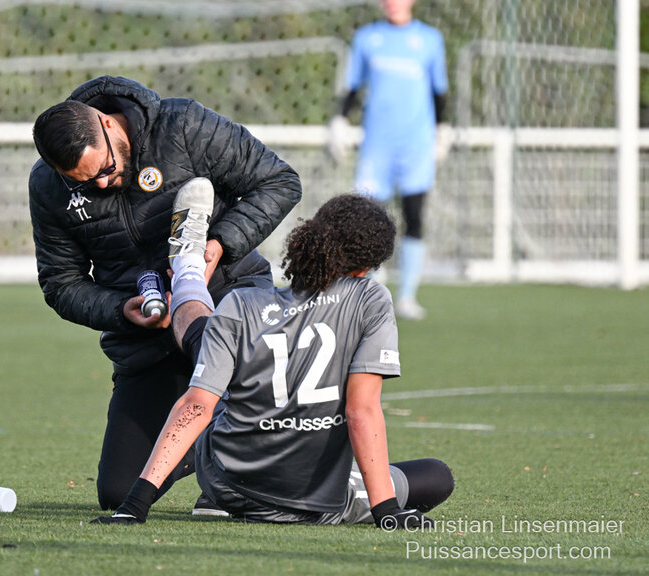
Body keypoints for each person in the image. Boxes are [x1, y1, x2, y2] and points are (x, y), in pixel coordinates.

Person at [93, 188, 454, 528]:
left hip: (227, 482)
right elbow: (361, 410)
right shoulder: (370, 299)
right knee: (436, 476)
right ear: (364, 269)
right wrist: (386, 509)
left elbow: (197, 405)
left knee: (208, 346)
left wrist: (135, 505)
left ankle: (187, 266)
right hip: (311, 498)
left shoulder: (242, 303)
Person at [28, 75, 302, 511]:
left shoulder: (183, 125)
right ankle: (221, 463)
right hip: (147, 341)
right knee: (117, 493)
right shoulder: (47, 186)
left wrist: (221, 244)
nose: (101, 185)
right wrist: (122, 310)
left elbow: (279, 181)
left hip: (228, 308)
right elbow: (61, 283)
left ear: (107, 123)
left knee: (254, 419)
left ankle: (237, 461)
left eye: (104, 170)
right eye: (83, 182)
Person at [328, 0, 450, 320]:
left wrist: (442, 129)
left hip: (416, 143)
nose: (393, 0)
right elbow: (353, 86)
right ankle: (372, 293)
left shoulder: (429, 39)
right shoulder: (367, 38)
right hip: (377, 144)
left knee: (414, 215)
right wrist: (340, 120)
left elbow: (439, 90)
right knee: (368, 219)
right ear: (381, 0)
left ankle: (408, 295)